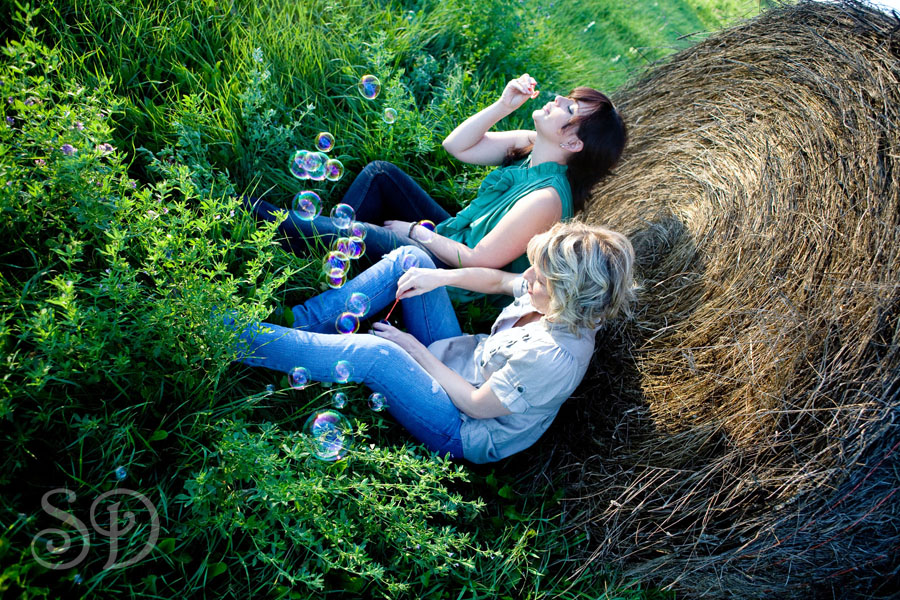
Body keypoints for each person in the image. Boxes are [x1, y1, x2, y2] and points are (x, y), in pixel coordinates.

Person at [235, 221, 636, 463]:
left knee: (378, 354)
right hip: (463, 359)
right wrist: (439, 277)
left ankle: (239, 338)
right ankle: (297, 326)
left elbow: (476, 405)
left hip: (461, 426)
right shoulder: (553, 297)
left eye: (539, 279)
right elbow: (500, 280)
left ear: (569, 297)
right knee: (412, 261)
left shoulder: (554, 357)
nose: (526, 278)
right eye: (532, 267)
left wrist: (412, 350)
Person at [244, 74, 627, 300]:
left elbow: (476, 261)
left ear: (573, 143)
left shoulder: (546, 199)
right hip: (452, 235)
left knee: (360, 232)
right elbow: (457, 146)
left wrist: (415, 233)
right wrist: (503, 106)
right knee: (381, 175)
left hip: (450, 275)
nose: (558, 99)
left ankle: (247, 212)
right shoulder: (530, 144)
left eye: (570, 108)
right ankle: (332, 252)